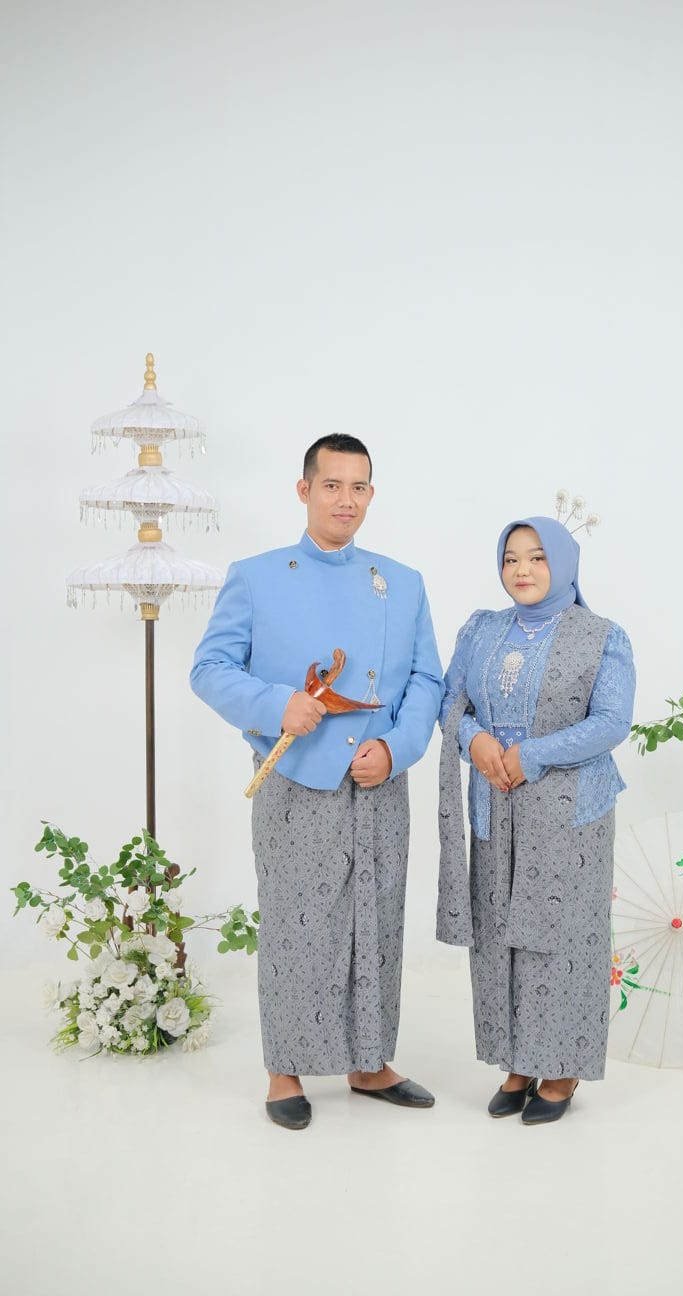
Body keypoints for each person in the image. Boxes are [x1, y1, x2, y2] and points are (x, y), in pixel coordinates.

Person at [191, 435, 443, 1130]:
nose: (346, 500)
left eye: (359, 487)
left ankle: (369, 1061)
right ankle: (286, 1068)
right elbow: (209, 669)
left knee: (377, 921)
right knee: (296, 926)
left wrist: (397, 748)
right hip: (294, 780)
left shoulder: (404, 582)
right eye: (332, 485)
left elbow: (427, 680)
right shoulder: (256, 576)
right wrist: (277, 705)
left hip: (379, 780)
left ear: (371, 495)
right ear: (304, 490)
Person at [437, 515, 635, 1125]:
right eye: (511, 558)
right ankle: (517, 1062)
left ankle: (562, 1067)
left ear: (565, 564)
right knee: (500, 929)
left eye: (537, 557)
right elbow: (450, 701)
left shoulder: (601, 636)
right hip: (495, 802)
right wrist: (474, 740)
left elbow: (612, 721)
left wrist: (534, 754)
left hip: (570, 811)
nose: (521, 570)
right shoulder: (482, 629)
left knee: (563, 934)